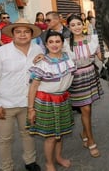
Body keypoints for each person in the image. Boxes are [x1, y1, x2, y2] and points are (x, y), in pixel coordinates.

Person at [0, 18, 42, 171]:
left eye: (26, 31)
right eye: (18, 32)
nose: (22, 35)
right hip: (5, 105)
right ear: (12, 34)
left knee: (28, 133)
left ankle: (30, 161)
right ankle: (6, 167)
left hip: (28, 103)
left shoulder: (38, 50)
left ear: (31, 34)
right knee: (5, 139)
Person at [27, 31, 76, 171]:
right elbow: (33, 87)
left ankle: (58, 157)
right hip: (47, 102)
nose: (54, 45)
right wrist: (31, 109)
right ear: (46, 45)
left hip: (63, 99)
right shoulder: (42, 62)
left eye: (57, 41)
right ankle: (49, 163)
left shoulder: (68, 57)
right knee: (50, 137)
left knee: (59, 134)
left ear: (62, 43)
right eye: (51, 42)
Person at [65, 14, 103, 157]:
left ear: (83, 25)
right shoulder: (64, 43)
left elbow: (102, 57)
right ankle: (91, 141)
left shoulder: (93, 40)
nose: (76, 27)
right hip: (76, 79)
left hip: (91, 76)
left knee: (88, 109)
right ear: (69, 27)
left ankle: (84, 132)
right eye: (73, 25)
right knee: (85, 109)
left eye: (79, 24)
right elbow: (55, 56)